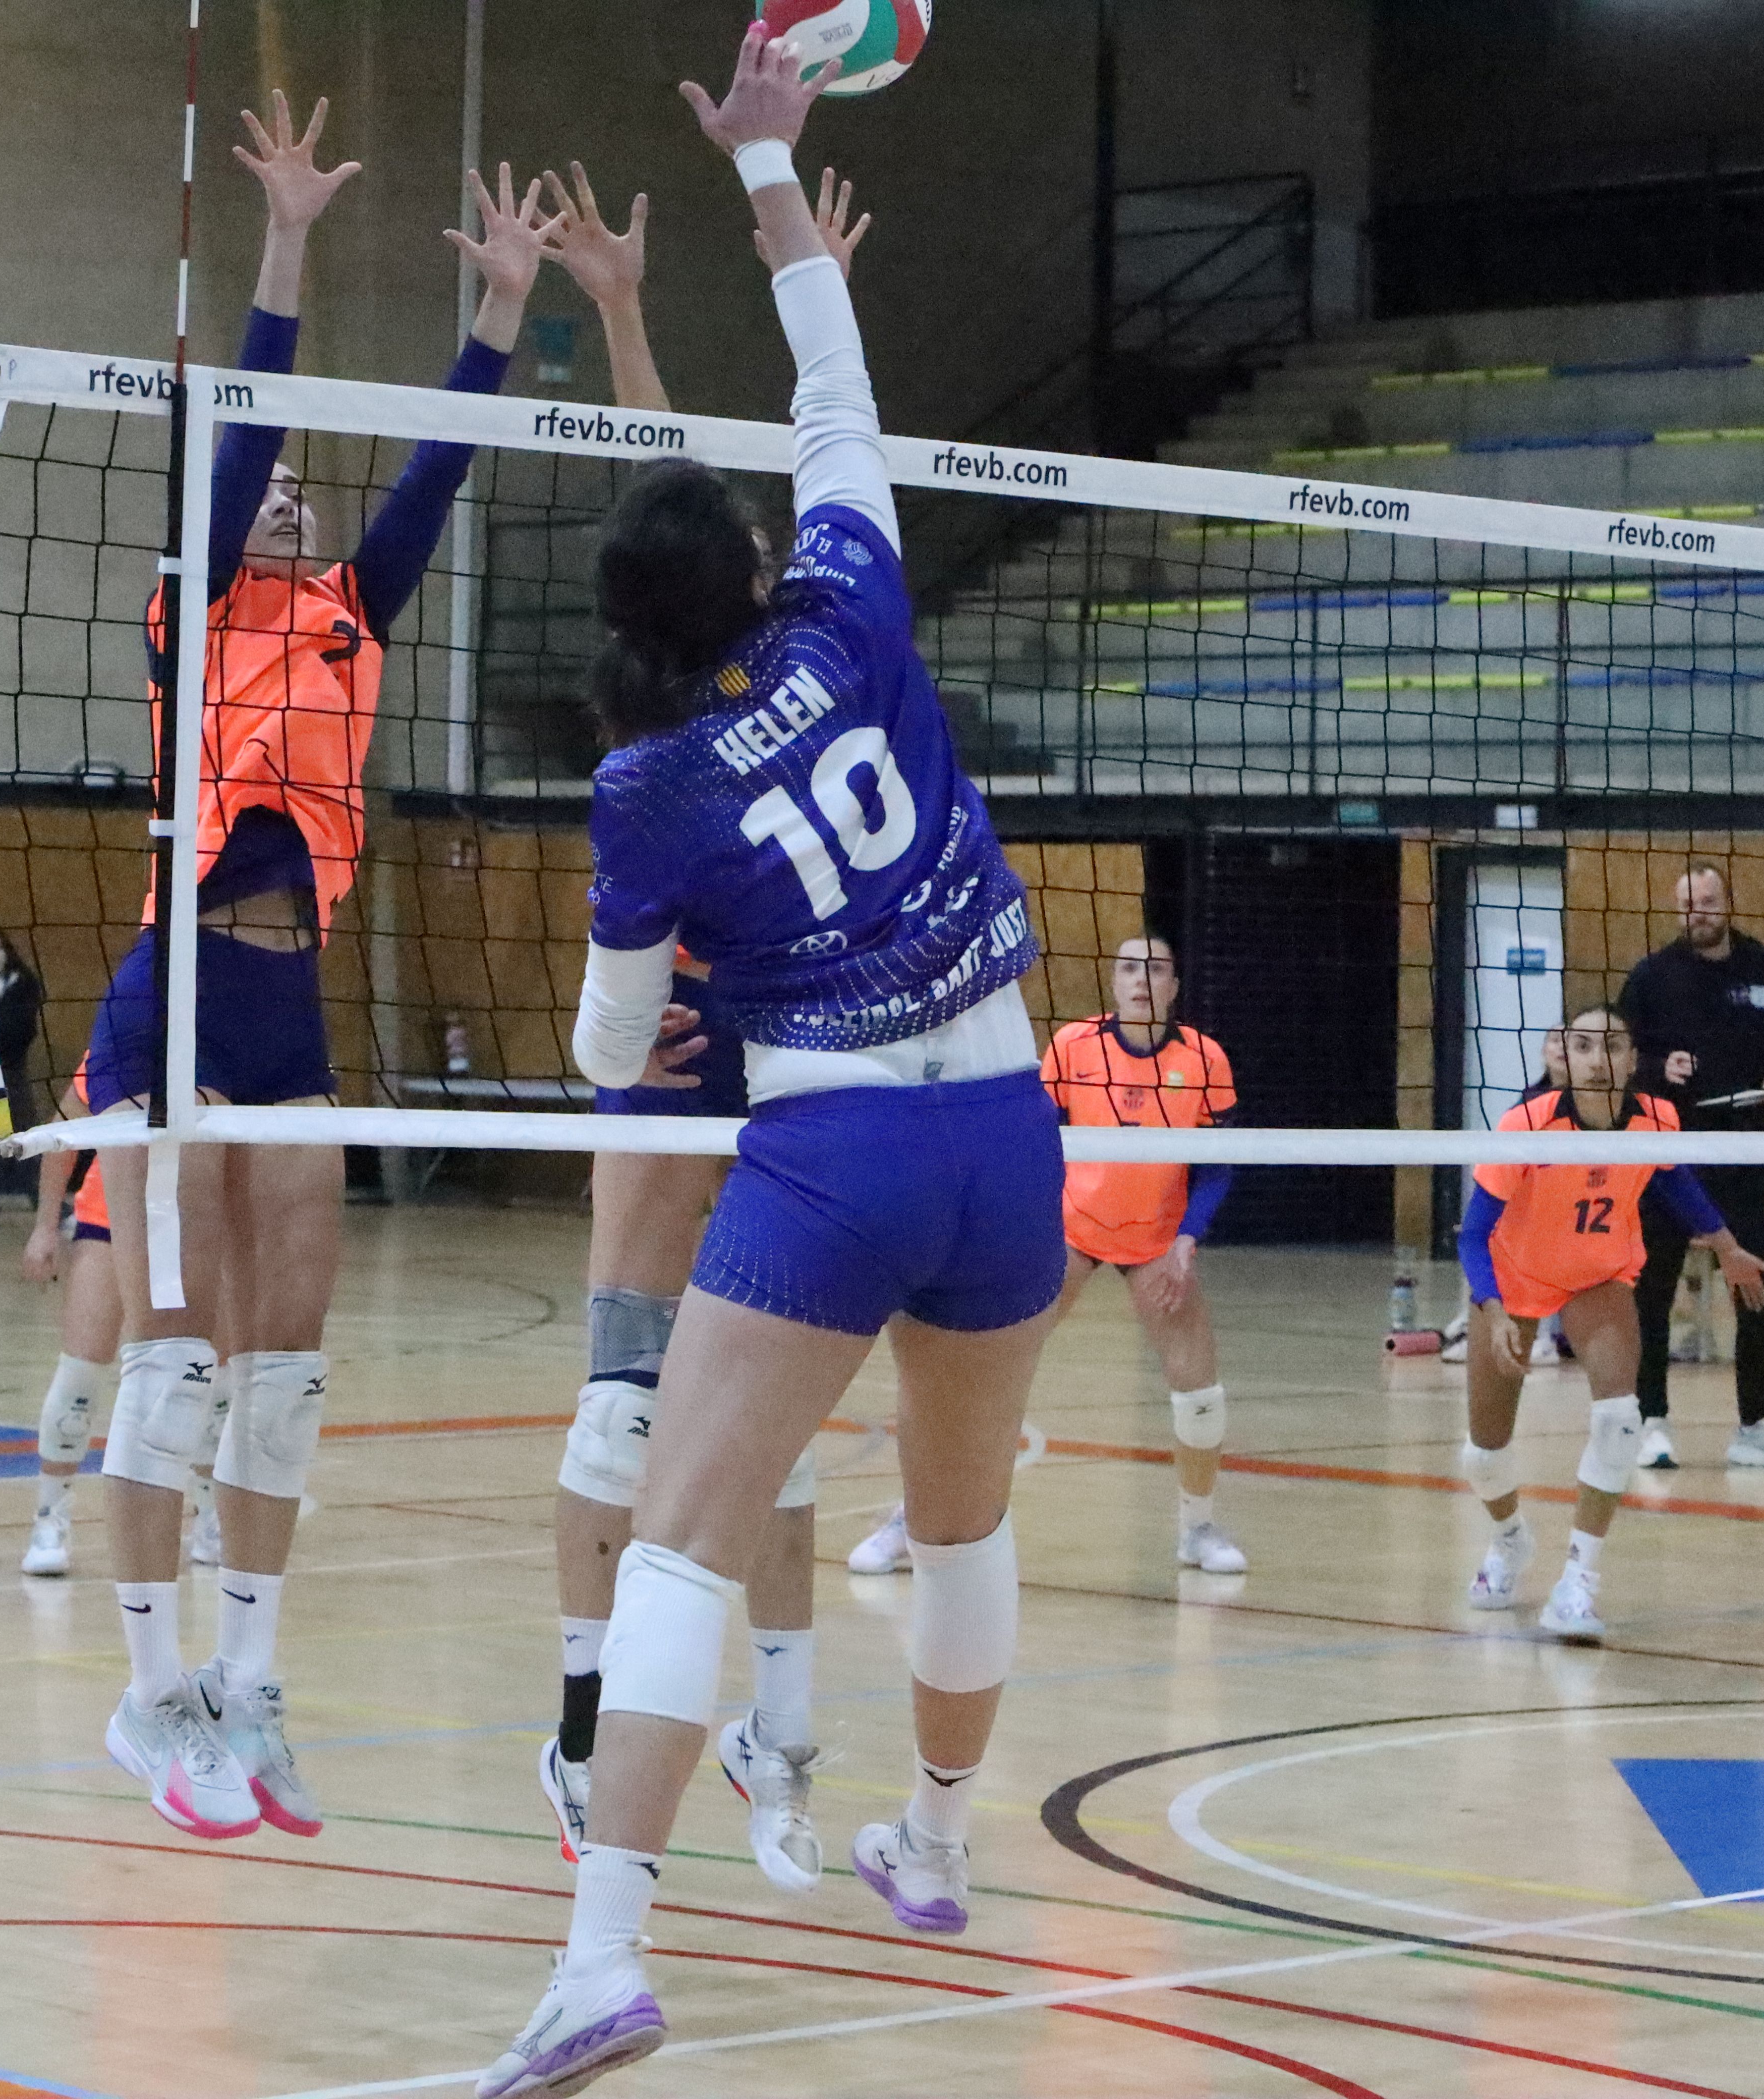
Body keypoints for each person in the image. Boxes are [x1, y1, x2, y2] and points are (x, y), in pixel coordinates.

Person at [475, 41, 1065, 2093]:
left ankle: (599, 1961)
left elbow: (607, 1044)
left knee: (678, 1543)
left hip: (836, 1152)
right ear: (745, 570)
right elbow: (833, 395)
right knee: (963, 1529)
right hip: (1008, 1128)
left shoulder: (642, 783)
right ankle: (937, 1840)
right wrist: (769, 173)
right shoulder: (849, 613)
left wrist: (687, 1000)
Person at [78, 91, 543, 1844]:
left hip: (294, 1006)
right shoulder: (188, 611)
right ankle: (150, 1692)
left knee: (286, 1367)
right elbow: (247, 423)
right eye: (266, 487)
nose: (285, 499)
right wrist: (285, 240)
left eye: (300, 493)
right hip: (177, 995)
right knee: (174, 1363)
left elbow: (440, 468)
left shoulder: (353, 611)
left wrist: (500, 310)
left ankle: (253, 1680)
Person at [533, 155, 873, 1899]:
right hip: (663, 1057)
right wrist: (620, 313)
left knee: (779, 1431)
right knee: (620, 1421)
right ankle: (581, 1728)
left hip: (785, 1056)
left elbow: (712, 506)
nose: (747, 548)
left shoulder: (790, 657)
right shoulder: (650, 729)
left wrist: (650, 309)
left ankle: (780, 1733)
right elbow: (659, 493)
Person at [1456, 1007, 1764, 1639]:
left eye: (1613, 1046)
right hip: (1513, 1277)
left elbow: (1675, 1180)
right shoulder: (1527, 1124)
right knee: (1484, 1455)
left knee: (1621, 1418)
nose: (1598, 1059)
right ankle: (1510, 1538)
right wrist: (1492, 1310)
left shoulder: (1656, 1118)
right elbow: (1472, 1233)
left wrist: (1727, 1245)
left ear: (1633, 1060)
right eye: (1583, 1045)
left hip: (1598, 1275)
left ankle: (1577, 1582)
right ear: (1564, 1057)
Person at [1035, 935, 1246, 1571]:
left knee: (1200, 1389)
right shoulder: (1073, 1045)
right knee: (988, 1366)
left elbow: (1218, 1164)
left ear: (1174, 985)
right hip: (1072, 1229)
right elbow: (1036, 1140)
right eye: (1130, 968)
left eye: (1156, 970)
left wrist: (1188, 1239)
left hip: (1157, 1237)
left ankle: (1198, 1529)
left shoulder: (1204, 1057)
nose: (1141, 980)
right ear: (1114, 980)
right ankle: (918, 1519)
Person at [1615, 860, 1764, 1471]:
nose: (1696, 912)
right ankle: (1649, 1420)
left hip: (1743, 1154)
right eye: (1687, 904)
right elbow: (1620, 1058)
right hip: (1667, 1155)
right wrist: (1657, 1067)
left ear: (1727, 903)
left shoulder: (1761, 969)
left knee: (1759, 1284)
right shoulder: (1652, 976)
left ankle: (1756, 1427)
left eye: (1706, 901)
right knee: (1652, 1290)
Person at [19, 1150, 116, 1577]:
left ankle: (211, 1516)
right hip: (110, 1214)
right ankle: (50, 1519)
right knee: (82, 1371)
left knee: (205, 1375)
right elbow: (63, 1138)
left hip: (202, 1216)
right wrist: (45, 1227)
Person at [0, 931, 46, 1213]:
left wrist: (9, 1046)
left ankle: (43, 1201)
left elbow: (27, 1027)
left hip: (16, 1069)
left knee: (26, 1133)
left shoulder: (24, 983)